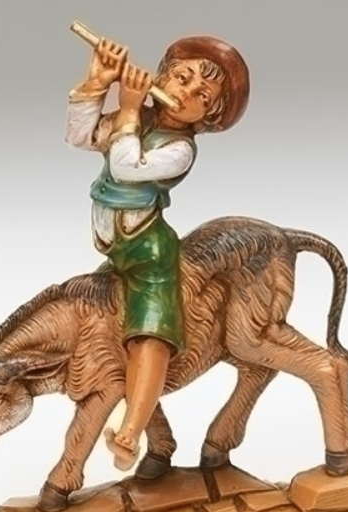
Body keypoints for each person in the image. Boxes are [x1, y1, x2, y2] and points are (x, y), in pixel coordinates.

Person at [65, 35, 250, 470]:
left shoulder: (180, 149)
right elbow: (79, 136)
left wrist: (128, 109)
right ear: (162, 76)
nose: (186, 92)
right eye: (182, 78)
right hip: (117, 252)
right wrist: (97, 82)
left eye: (202, 95)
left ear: (208, 117)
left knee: (150, 337)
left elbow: (125, 167)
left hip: (149, 255)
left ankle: (129, 435)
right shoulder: (137, 120)